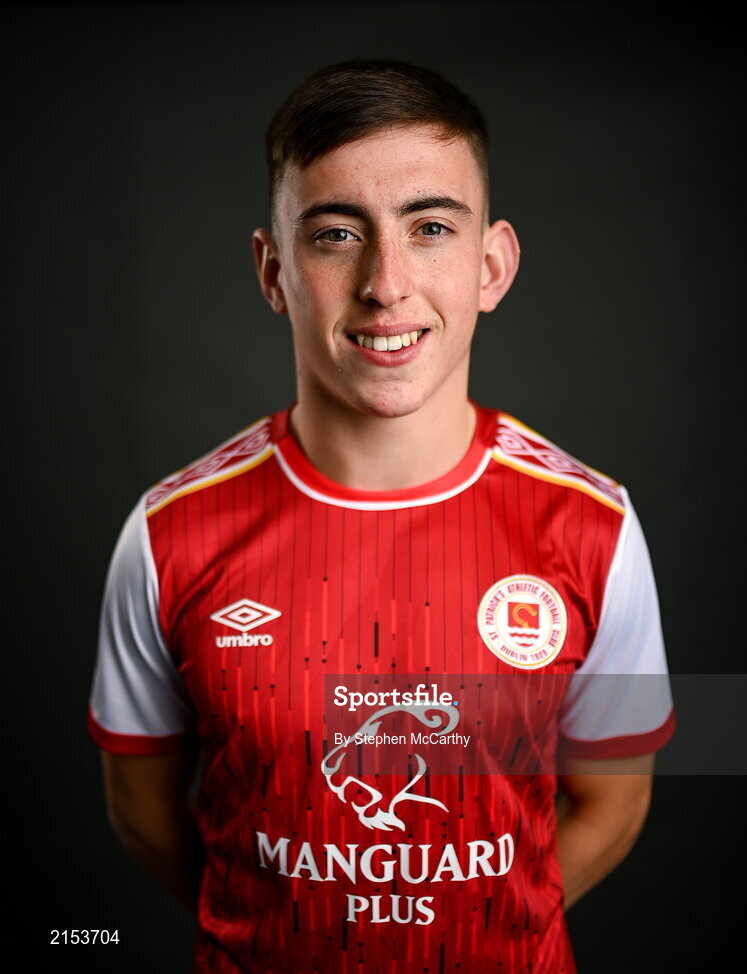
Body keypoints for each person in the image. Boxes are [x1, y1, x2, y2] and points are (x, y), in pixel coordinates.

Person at [88, 59, 675, 973]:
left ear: (492, 265)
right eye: (334, 236)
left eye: (430, 228)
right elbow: (140, 811)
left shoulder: (599, 525)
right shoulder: (167, 534)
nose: (386, 283)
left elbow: (617, 803)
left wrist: (480, 931)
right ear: (273, 269)